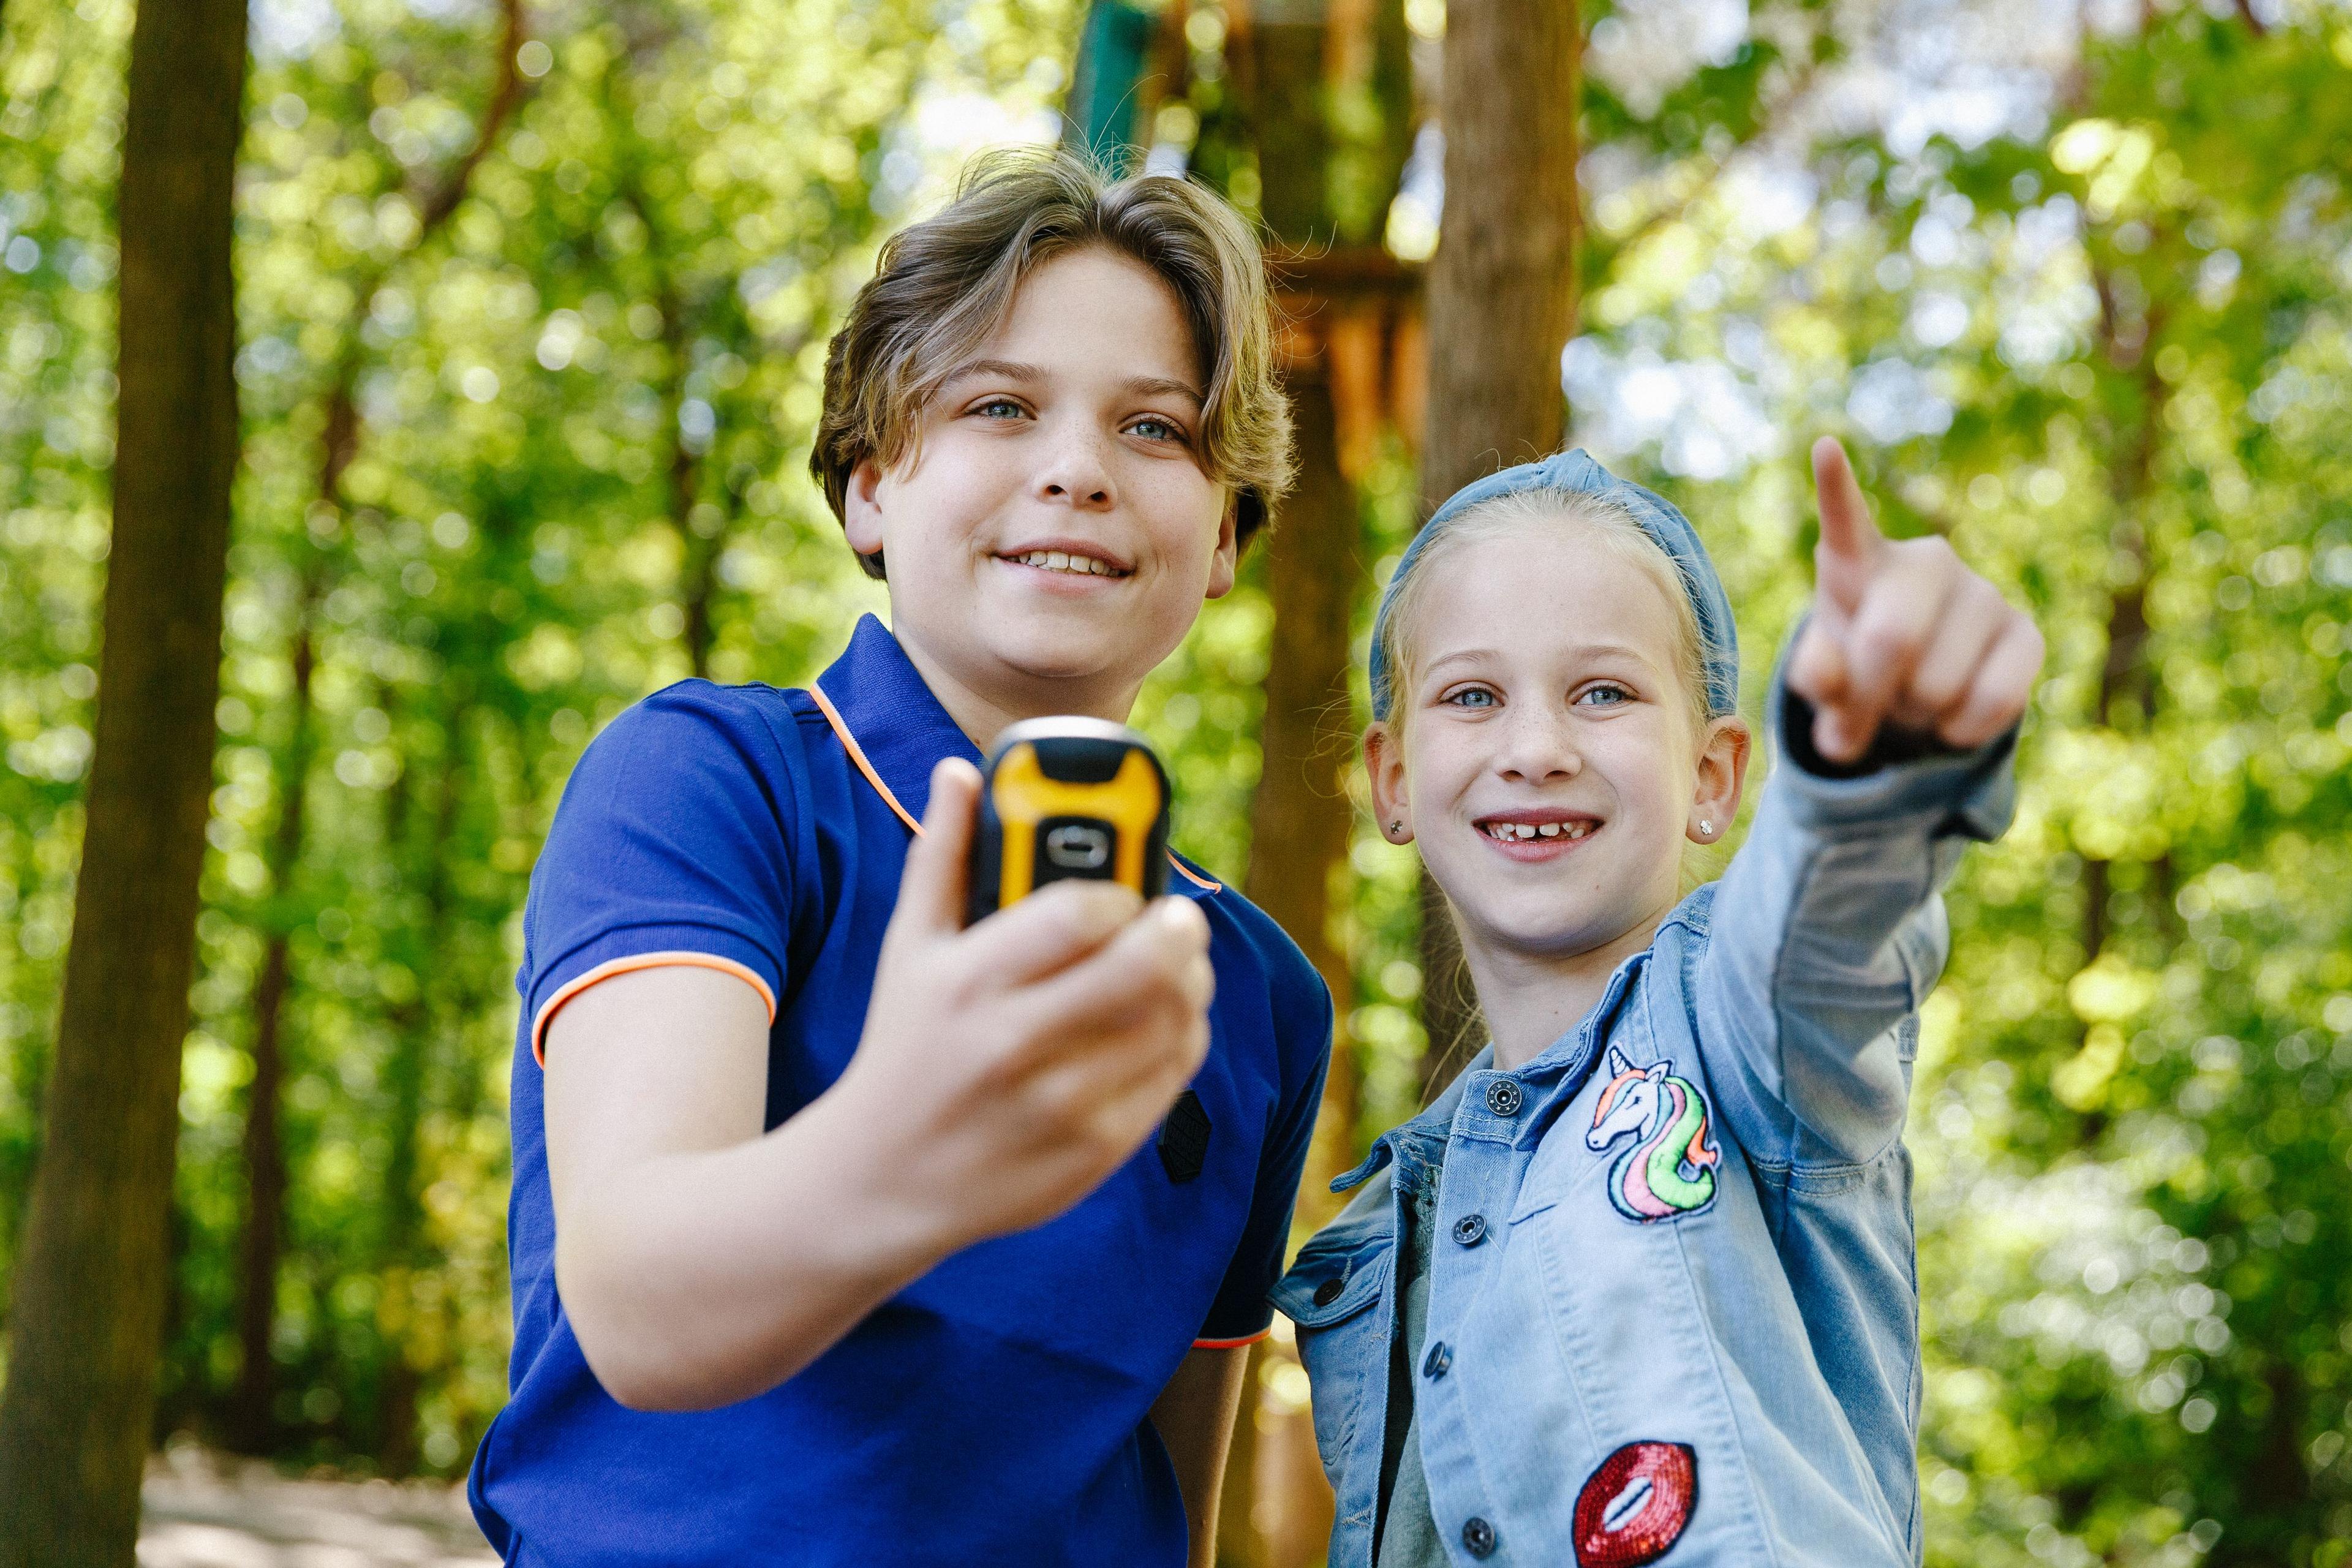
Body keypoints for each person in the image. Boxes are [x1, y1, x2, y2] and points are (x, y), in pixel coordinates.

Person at [467, 149, 1332, 1568]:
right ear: (869, 489)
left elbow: (1179, 1484)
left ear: (1227, 533)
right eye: (999, 405)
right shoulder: (707, 780)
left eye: (1158, 430)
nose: (1077, 468)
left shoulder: (1259, 997)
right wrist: (911, 1141)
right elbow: (637, 1305)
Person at [1275, 440, 2041, 1567]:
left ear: (1716, 776)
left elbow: (1826, 932)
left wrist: (1877, 765)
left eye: (1604, 693)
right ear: (1393, 779)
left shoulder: (1738, 1030)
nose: (1536, 748)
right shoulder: (1383, 1233)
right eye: (1474, 696)